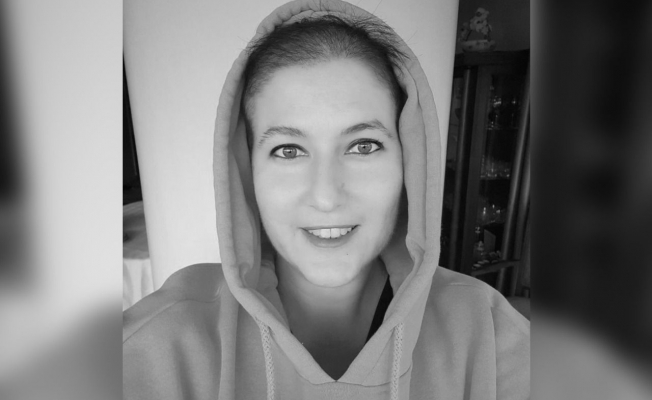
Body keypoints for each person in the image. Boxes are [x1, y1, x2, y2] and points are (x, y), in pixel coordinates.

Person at [123, 1, 530, 399]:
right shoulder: (158, 346)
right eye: (288, 150)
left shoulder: (490, 336)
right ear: (248, 173)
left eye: (363, 145)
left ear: (409, 162)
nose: (326, 197)